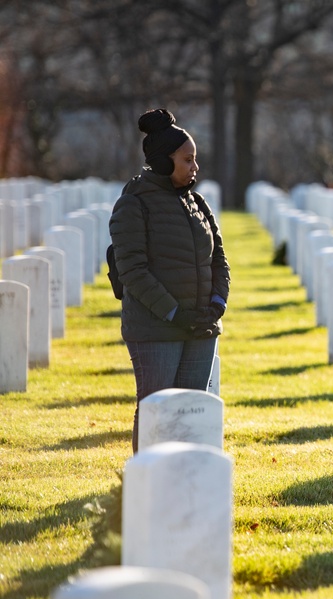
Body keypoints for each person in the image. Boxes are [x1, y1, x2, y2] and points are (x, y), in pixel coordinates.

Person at [109, 108, 231, 454]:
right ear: (163, 162)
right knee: (156, 412)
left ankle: (186, 492)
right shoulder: (133, 204)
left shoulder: (198, 203)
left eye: (196, 159)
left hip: (201, 327)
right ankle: (146, 491)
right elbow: (132, 270)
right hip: (155, 329)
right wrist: (174, 313)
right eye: (187, 160)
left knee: (191, 412)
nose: (195, 167)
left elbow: (219, 259)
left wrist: (216, 305)